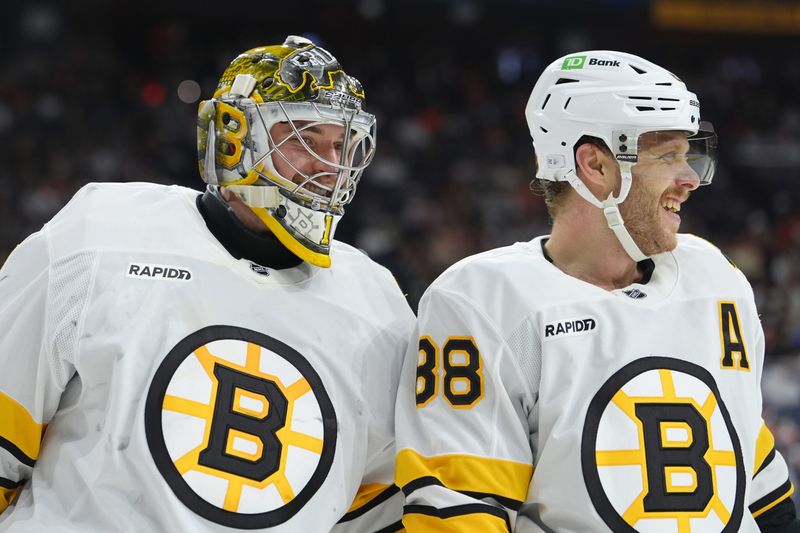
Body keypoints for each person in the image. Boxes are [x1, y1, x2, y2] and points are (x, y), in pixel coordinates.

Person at [0, 35, 412, 532]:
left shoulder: (379, 305)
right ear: (235, 138)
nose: (330, 165)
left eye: (342, 143)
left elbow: (380, 500)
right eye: (303, 137)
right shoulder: (99, 236)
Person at [394, 50, 800, 532]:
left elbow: (757, 481)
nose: (690, 178)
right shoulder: (481, 301)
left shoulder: (716, 279)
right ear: (595, 165)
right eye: (667, 155)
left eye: (688, 154)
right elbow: (459, 513)